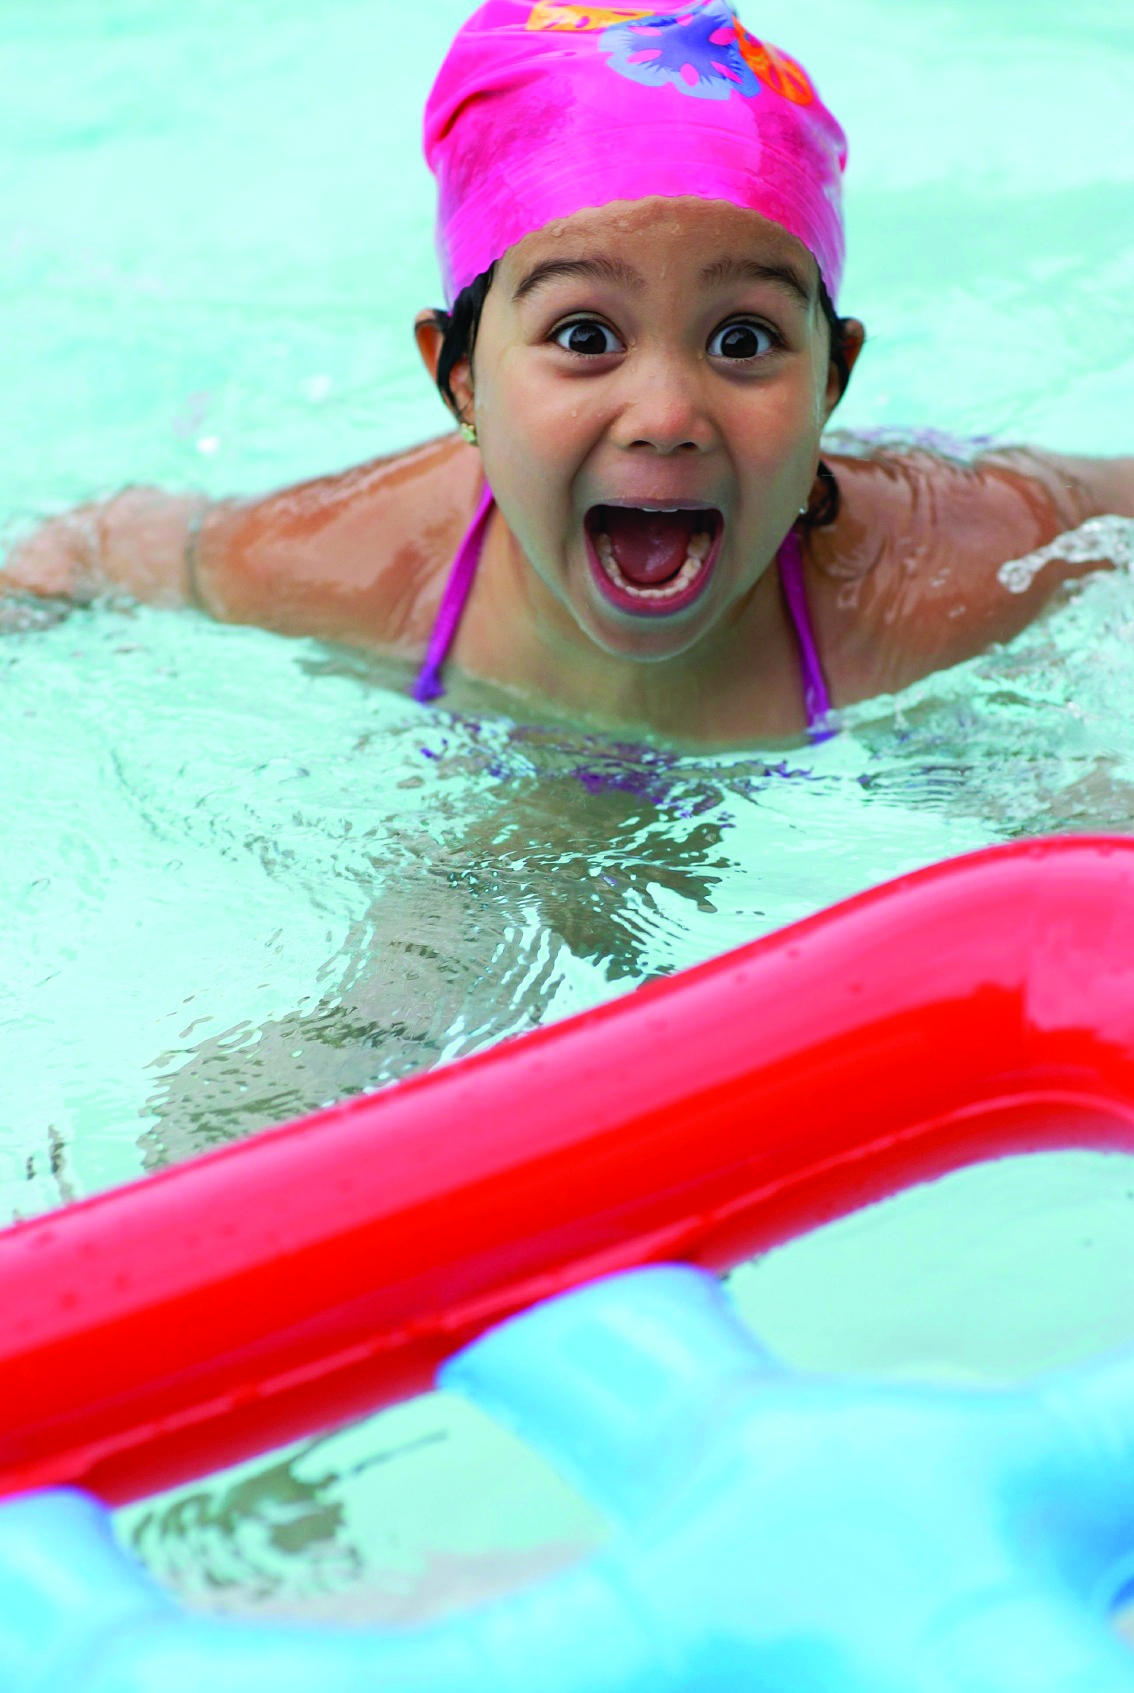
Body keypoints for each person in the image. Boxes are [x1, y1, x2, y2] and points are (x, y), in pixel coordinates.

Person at [3, 0, 1132, 745]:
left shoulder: (955, 569)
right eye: (587, 336)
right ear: (458, 381)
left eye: (743, 341)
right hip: (496, 762)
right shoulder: (358, 558)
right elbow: (99, 546)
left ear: (833, 380)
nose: (666, 412)